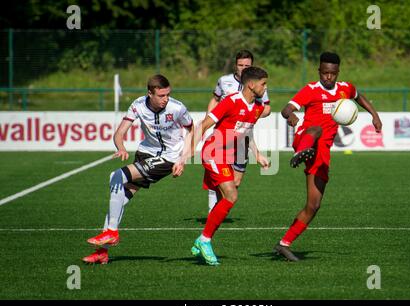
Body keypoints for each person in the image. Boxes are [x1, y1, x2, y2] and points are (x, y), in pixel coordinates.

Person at [274, 52, 383, 262]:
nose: (328, 77)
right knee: (316, 129)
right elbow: (286, 109)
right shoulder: (311, 89)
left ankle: (283, 244)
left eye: (332, 73)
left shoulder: (345, 88)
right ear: (319, 71)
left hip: (322, 152)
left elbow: (358, 96)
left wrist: (375, 115)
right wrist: (292, 115)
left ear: (337, 72)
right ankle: (300, 153)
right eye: (324, 73)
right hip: (305, 136)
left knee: (313, 205)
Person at [82, 74, 193, 264]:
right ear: (150, 93)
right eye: (161, 95)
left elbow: (192, 129)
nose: (166, 99)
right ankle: (102, 252)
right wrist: (121, 147)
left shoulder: (177, 108)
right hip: (145, 153)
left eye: (168, 94)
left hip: (168, 158)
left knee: (116, 176)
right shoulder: (138, 105)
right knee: (118, 200)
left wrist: (183, 159)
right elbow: (119, 133)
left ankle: (112, 233)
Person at [191, 66, 270, 265]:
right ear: (251, 85)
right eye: (263, 84)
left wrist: (257, 154)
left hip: (228, 156)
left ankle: (202, 240)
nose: (265, 87)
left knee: (222, 202)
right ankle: (204, 240)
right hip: (213, 153)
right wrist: (186, 153)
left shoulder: (257, 108)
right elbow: (205, 124)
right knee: (232, 195)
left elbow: (246, 133)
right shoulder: (231, 101)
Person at [205, 49, 271, 214]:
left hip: (243, 137)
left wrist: (250, 114)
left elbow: (267, 108)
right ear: (236, 65)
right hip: (224, 136)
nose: (243, 68)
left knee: (236, 181)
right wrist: (210, 119)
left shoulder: (258, 85)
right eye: (240, 65)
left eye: (246, 65)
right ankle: (213, 211)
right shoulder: (224, 81)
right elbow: (215, 99)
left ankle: (219, 209)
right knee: (222, 180)